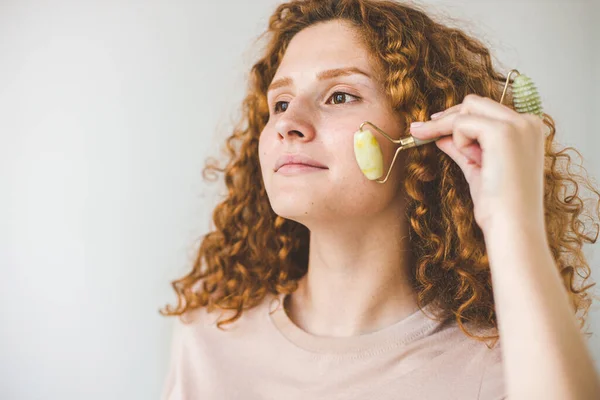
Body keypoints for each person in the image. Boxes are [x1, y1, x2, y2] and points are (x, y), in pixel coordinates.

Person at [159, 0, 600, 399]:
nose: (288, 123)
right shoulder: (210, 333)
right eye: (279, 103)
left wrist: (509, 216)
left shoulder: (505, 366)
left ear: (420, 136)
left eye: (340, 96)